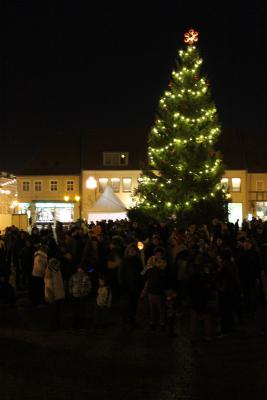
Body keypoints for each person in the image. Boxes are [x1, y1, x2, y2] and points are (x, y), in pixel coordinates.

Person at [44, 257, 65, 329]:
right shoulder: (49, 272)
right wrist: (50, 295)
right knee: (53, 312)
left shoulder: (58, 271)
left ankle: (58, 325)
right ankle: (53, 326)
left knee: (58, 312)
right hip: (54, 295)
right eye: (57, 264)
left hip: (59, 294)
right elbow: (48, 285)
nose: (59, 265)